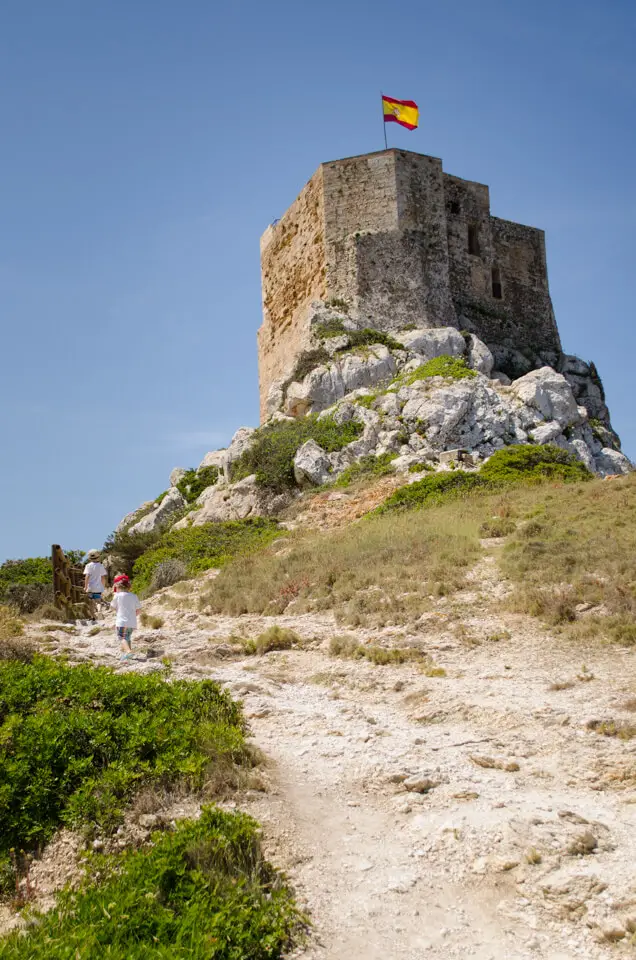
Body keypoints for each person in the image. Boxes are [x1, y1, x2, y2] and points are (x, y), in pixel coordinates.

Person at [110, 574, 141, 661]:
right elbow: (139, 610)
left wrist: (114, 594)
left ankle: (128, 652)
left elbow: (112, 607)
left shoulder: (117, 596)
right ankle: (128, 655)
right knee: (127, 638)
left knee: (122, 637)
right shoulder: (134, 596)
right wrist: (131, 616)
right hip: (132, 622)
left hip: (121, 622)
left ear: (118, 587)